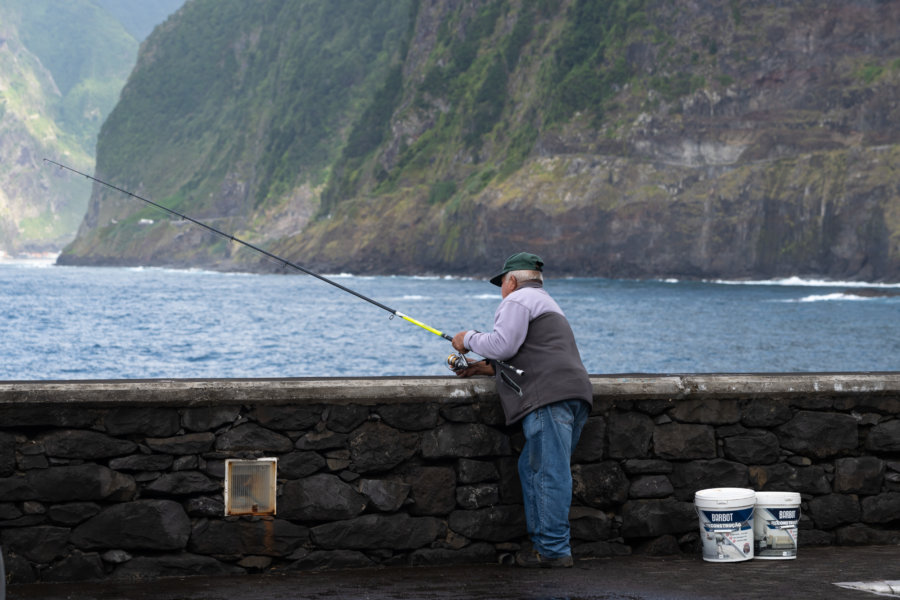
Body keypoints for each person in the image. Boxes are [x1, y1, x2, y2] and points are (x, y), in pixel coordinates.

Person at [451, 251, 593, 568]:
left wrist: (467, 338)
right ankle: (543, 547)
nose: (501, 289)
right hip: (574, 393)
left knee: (548, 474)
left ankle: (554, 552)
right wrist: (483, 369)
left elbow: (504, 345)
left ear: (512, 280)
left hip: (548, 399)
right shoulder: (548, 304)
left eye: (501, 282)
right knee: (533, 469)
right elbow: (527, 355)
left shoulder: (518, 300)